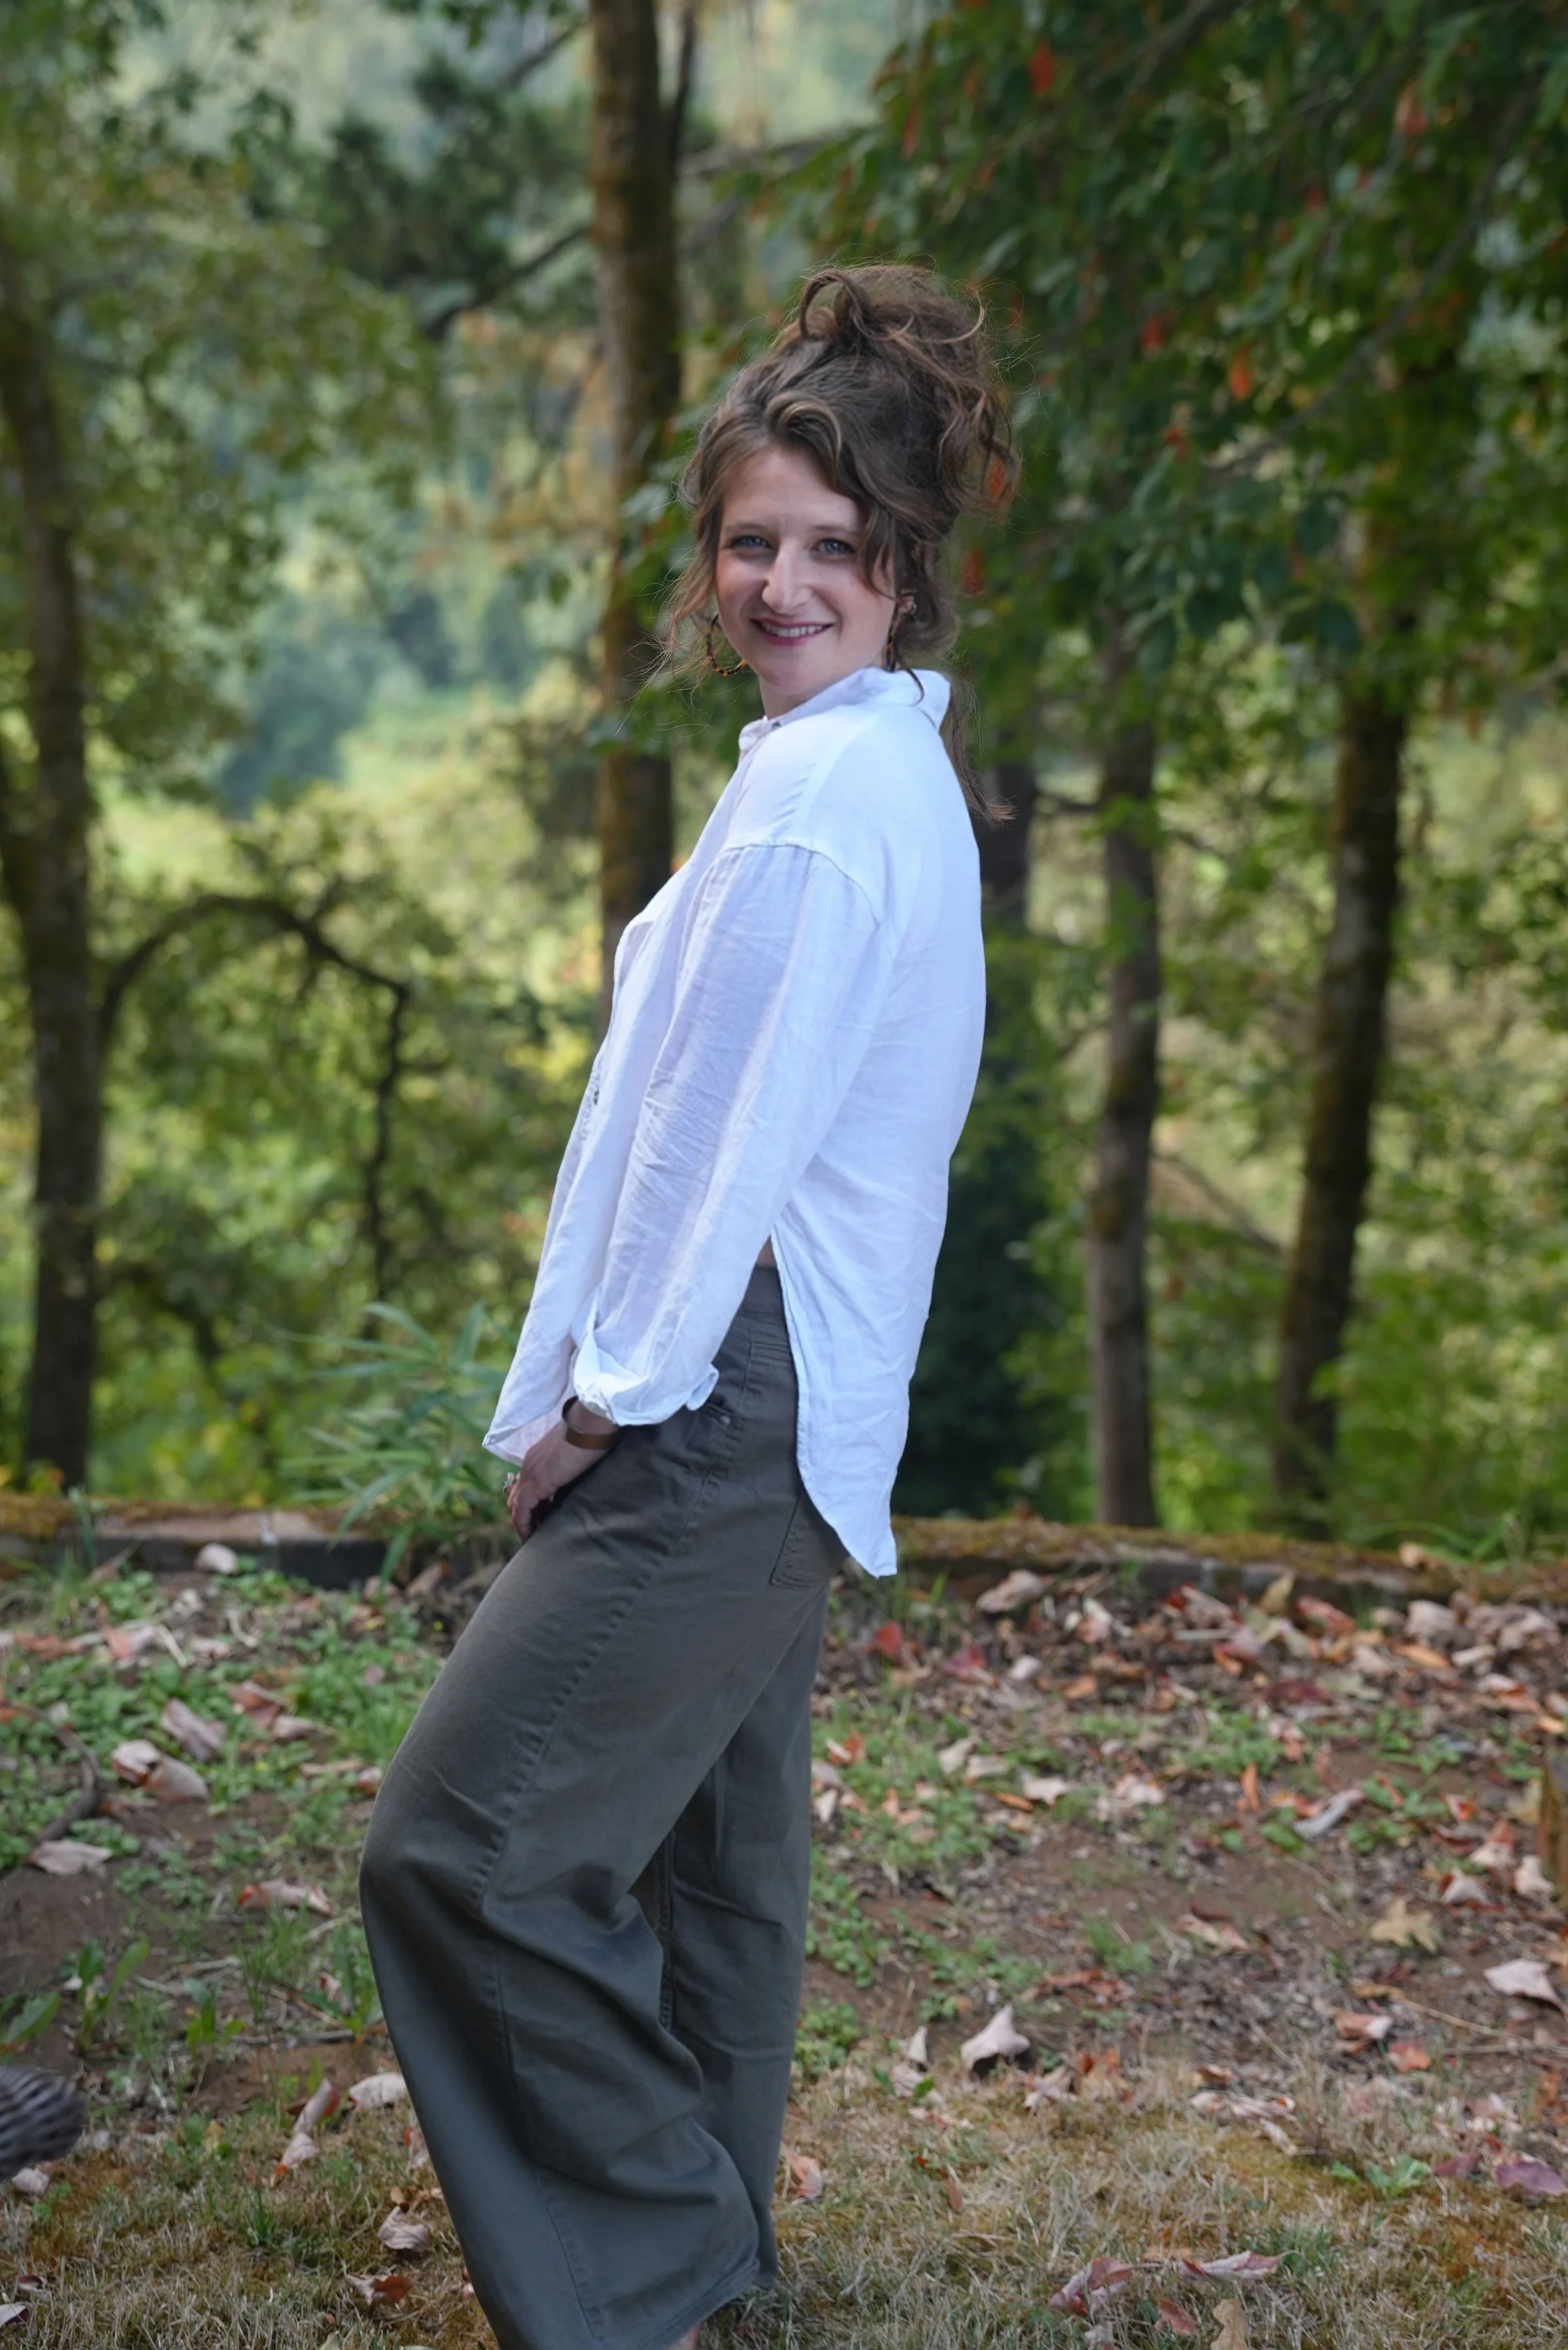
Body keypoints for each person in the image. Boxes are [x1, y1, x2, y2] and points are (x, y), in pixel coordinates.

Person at [359, 263, 1017, 2350]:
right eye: (753, 540)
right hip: (794, 1403)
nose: (784, 581)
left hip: (724, 1394)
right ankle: (695, 2279)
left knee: (459, 1855)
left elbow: (715, 1153)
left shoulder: (826, 805)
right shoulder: (847, 763)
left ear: (904, 570)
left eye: (834, 548)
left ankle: (652, 2273)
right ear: (708, 556)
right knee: (712, 1877)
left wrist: (596, 1402)